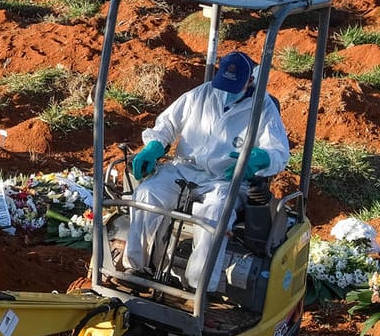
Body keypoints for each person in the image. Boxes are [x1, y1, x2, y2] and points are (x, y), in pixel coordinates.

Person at [122, 52, 289, 289]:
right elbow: (168, 123)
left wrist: (258, 159)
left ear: (250, 80)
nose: (226, 90)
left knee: (214, 214)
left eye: (234, 85)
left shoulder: (264, 108)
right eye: (224, 84)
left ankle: (197, 287)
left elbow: (279, 152)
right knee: (147, 194)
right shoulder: (202, 93)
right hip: (185, 169)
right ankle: (136, 269)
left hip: (226, 180)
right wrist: (154, 147)